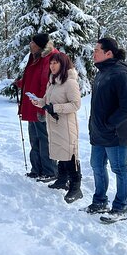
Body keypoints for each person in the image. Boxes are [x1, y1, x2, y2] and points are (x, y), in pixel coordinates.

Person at [84, 38, 127, 223]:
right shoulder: (101, 72)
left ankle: (121, 207)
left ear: (109, 53)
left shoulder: (121, 73)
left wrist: (109, 124)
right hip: (98, 133)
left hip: (115, 133)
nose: (94, 53)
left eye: (97, 50)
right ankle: (100, 202)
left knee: (120, 169)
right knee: (97, 166)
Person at [30, 52, 83, 203]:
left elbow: (76, 104)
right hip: (54, 124)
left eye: (55, 63)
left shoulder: (70, 82)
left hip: (66, 125)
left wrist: (56, 108)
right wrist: (38, 101)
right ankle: (62, 180)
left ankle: (75, 187)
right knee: (60, 153)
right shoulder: (52, 81)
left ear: (63, 64)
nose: (52, 66)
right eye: (51, 63)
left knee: (70, 154)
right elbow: (47, 100)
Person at [15, 33, 59, 182]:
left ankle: (50, 170)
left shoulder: (49, 59)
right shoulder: (35, 57)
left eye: (32, 42)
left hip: (41, 106)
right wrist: (21, 83)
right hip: (32, 104)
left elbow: (44, 84)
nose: (30, 44)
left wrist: (42, 106)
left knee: (44, 139)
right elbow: (32, 78)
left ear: (40, 45)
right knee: (35, 138)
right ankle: (37, 169)